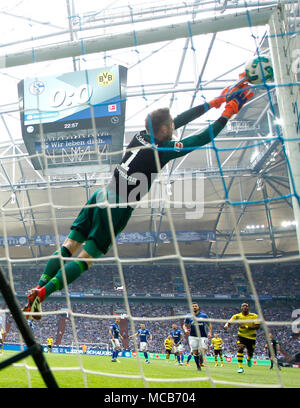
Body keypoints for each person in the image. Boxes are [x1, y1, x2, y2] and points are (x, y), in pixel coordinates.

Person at [23, 80, 254, 319]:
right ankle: (42, 293)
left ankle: (36, 288)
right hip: (117, 205)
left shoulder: (141, 135)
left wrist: (213, 103)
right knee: (86, 258)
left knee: (68, 246)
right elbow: (202, 138)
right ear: (164, 131)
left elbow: (178, 120)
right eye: (170, 126)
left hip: (100, 194)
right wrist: (227, 113)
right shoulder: (162, 150)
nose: (175, 126)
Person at [224, 302, 260, 373]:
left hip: (251, 337)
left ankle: (249, 359)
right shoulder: (237, 316)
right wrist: (227, 325)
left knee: (250, 352)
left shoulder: (254, 316)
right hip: (241, 336)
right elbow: (230, 321)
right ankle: (240, 367)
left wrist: (246, 327)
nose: (245, 307)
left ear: (248, 307)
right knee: (240, 348)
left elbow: (257, 326)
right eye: (243, 306)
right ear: (241, 308)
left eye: (246, 306)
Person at [183, 302, 212, 371]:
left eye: (195, 306)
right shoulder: (189, 316)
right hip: (193, 336)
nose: (194, 307)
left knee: (203, 349)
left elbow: (209, 324)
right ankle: (198, 366)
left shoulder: (204, 316)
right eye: (193, 306)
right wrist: (185, 330)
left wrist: (210, 332)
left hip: (203, 336)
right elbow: (184, 325)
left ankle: (201, 359)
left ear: (198, 307)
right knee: (195, 352)